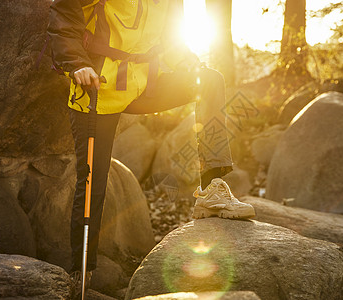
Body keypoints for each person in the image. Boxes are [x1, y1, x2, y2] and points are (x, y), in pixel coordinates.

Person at [47, 0, 255, 290]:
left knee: (209, 80)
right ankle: (82, 271)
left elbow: (172, 37)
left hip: (145, 85)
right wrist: (77, 62)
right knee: (93, 179)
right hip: (98, 87)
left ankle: (212, 189)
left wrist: (190, 63)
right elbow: (64, 12)